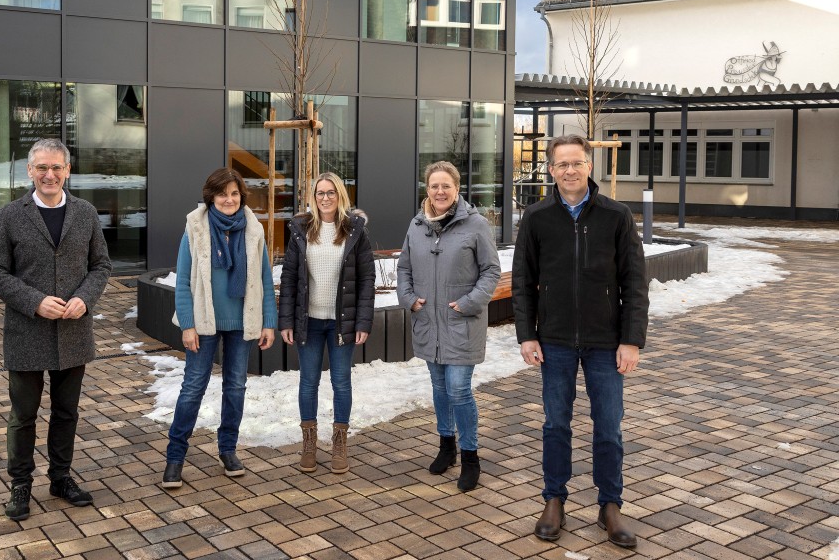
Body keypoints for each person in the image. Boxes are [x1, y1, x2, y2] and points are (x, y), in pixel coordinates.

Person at [513, 134, 648, 548]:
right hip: (553, 340)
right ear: (550, 170)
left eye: (576, 163)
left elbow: (634, 282)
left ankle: (610, 505)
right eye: (561, 164)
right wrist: (527, 335)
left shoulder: (617, 215)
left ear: (590, 166)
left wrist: (631, 340)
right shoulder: (536, 217)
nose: (569, 170)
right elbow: (522, 282)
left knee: (608, 425)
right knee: (556, 424)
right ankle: (554, 498)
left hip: (606, 342)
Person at [0, 138, 111, 519]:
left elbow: (101, 265)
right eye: (42, 167)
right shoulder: (9, 216)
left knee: (66, 411)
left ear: (68, 171)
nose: (49, 174)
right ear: (30, 171)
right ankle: (20, 484)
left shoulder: (85, 213)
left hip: (73, 330)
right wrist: (34, 301)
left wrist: (85, 298)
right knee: (23, 414)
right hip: (27, 331)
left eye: (57, 167)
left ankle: (61, 477)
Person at [160, 168, 276, 489]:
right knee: (193, 387)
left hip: (242, 323)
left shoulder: (252, 229)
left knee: (235, 387)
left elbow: (264, 279)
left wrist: (268, 321)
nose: (229, 200)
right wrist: (188, 325)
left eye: (234, 193)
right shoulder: (195, 228)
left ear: (241, 196)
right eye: (222, 194)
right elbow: (183, 281)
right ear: (211, 196)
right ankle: (175, 457)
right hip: (204, 322)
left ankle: (228, 450)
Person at [397, 161, 500, 492]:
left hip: (461, 322)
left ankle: (470, 456)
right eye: (433, 186)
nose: (439, 192)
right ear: (426, 189)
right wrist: (408, 298)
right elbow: (403, 268)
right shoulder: (416, 225)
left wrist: (470, 302)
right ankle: (447, 447)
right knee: (439, 389)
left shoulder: (475, 225)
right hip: (428, 322)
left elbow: (491, 271)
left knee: (458, 389)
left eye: (446, 186)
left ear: (457, 189)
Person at [278, 172, 374, 474]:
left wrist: (363, 321)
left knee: (341, 382)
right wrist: (286, 320)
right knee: (308, 383)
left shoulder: (354, 230)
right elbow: (290, 278)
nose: (325, 198)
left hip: (341, 324)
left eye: (331, 192)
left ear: (340, 196)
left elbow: (366, 280)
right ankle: (308, 443)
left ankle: (339, 444)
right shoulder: (300, 229)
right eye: (320, 193)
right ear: (313, 197)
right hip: (309, 322)